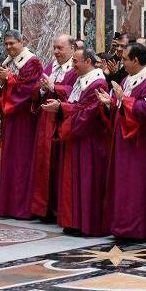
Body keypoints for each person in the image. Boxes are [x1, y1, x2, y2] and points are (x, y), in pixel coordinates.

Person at [42, 48, 109, 237]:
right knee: (72, 180)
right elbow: (74, 98)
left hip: (90, 142)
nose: (73, 66)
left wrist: (61, 108)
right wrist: (58, 98)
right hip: (77, 140)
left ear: (88, 61)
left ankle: (87, 223)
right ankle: (73, 220)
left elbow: (89, 111)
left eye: (76, 62)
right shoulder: (82, 79)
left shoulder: (98, 83)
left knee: (87, 181)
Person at [99, 42, 146, 240]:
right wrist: (110, 102)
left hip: (140, 141)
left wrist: (122, 98)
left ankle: (139, 228)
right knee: (123, 184)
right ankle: (122, 225)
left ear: (136, 60)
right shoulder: (128, 77)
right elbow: (122, 103)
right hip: (123, 138)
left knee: (136, 184)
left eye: (125, 59)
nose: (122, 63)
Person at [0, 30, 42, 218]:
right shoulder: (7, 63)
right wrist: (1, 82)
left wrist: (8, 79)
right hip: (10, 118)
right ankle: (8, 204)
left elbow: (30, 90)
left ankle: (22, 206)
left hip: (25, 119)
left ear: (22, 42)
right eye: (6, 44)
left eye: (12, 43)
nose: (9, 47)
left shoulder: (32, 62)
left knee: (22, 160)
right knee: (10, 159)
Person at [30, 34, 78, 219]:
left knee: (58, 166)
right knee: (44, 165)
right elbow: (36, 90)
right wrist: (42, 88)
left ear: (72, 49)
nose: (56, 51)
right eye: (55, 47)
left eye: (60, 48)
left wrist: (54, 88)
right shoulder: (50, 67)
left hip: (62, 121)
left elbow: (73, 90)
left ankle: (58, 209)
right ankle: (43, 208)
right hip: (45, 123)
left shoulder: (76, 68)